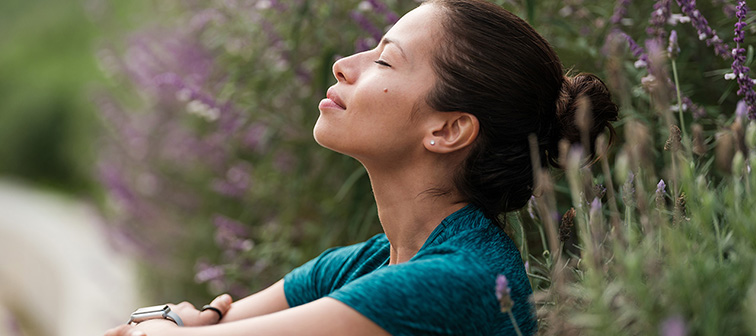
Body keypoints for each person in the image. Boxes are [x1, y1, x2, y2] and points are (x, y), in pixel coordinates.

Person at [105, 0, 618, 335]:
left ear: (448, 130)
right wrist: (193, 321)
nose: (344, 63)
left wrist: (181, 320)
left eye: (385, 60)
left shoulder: (458, 281)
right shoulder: (367, 262)